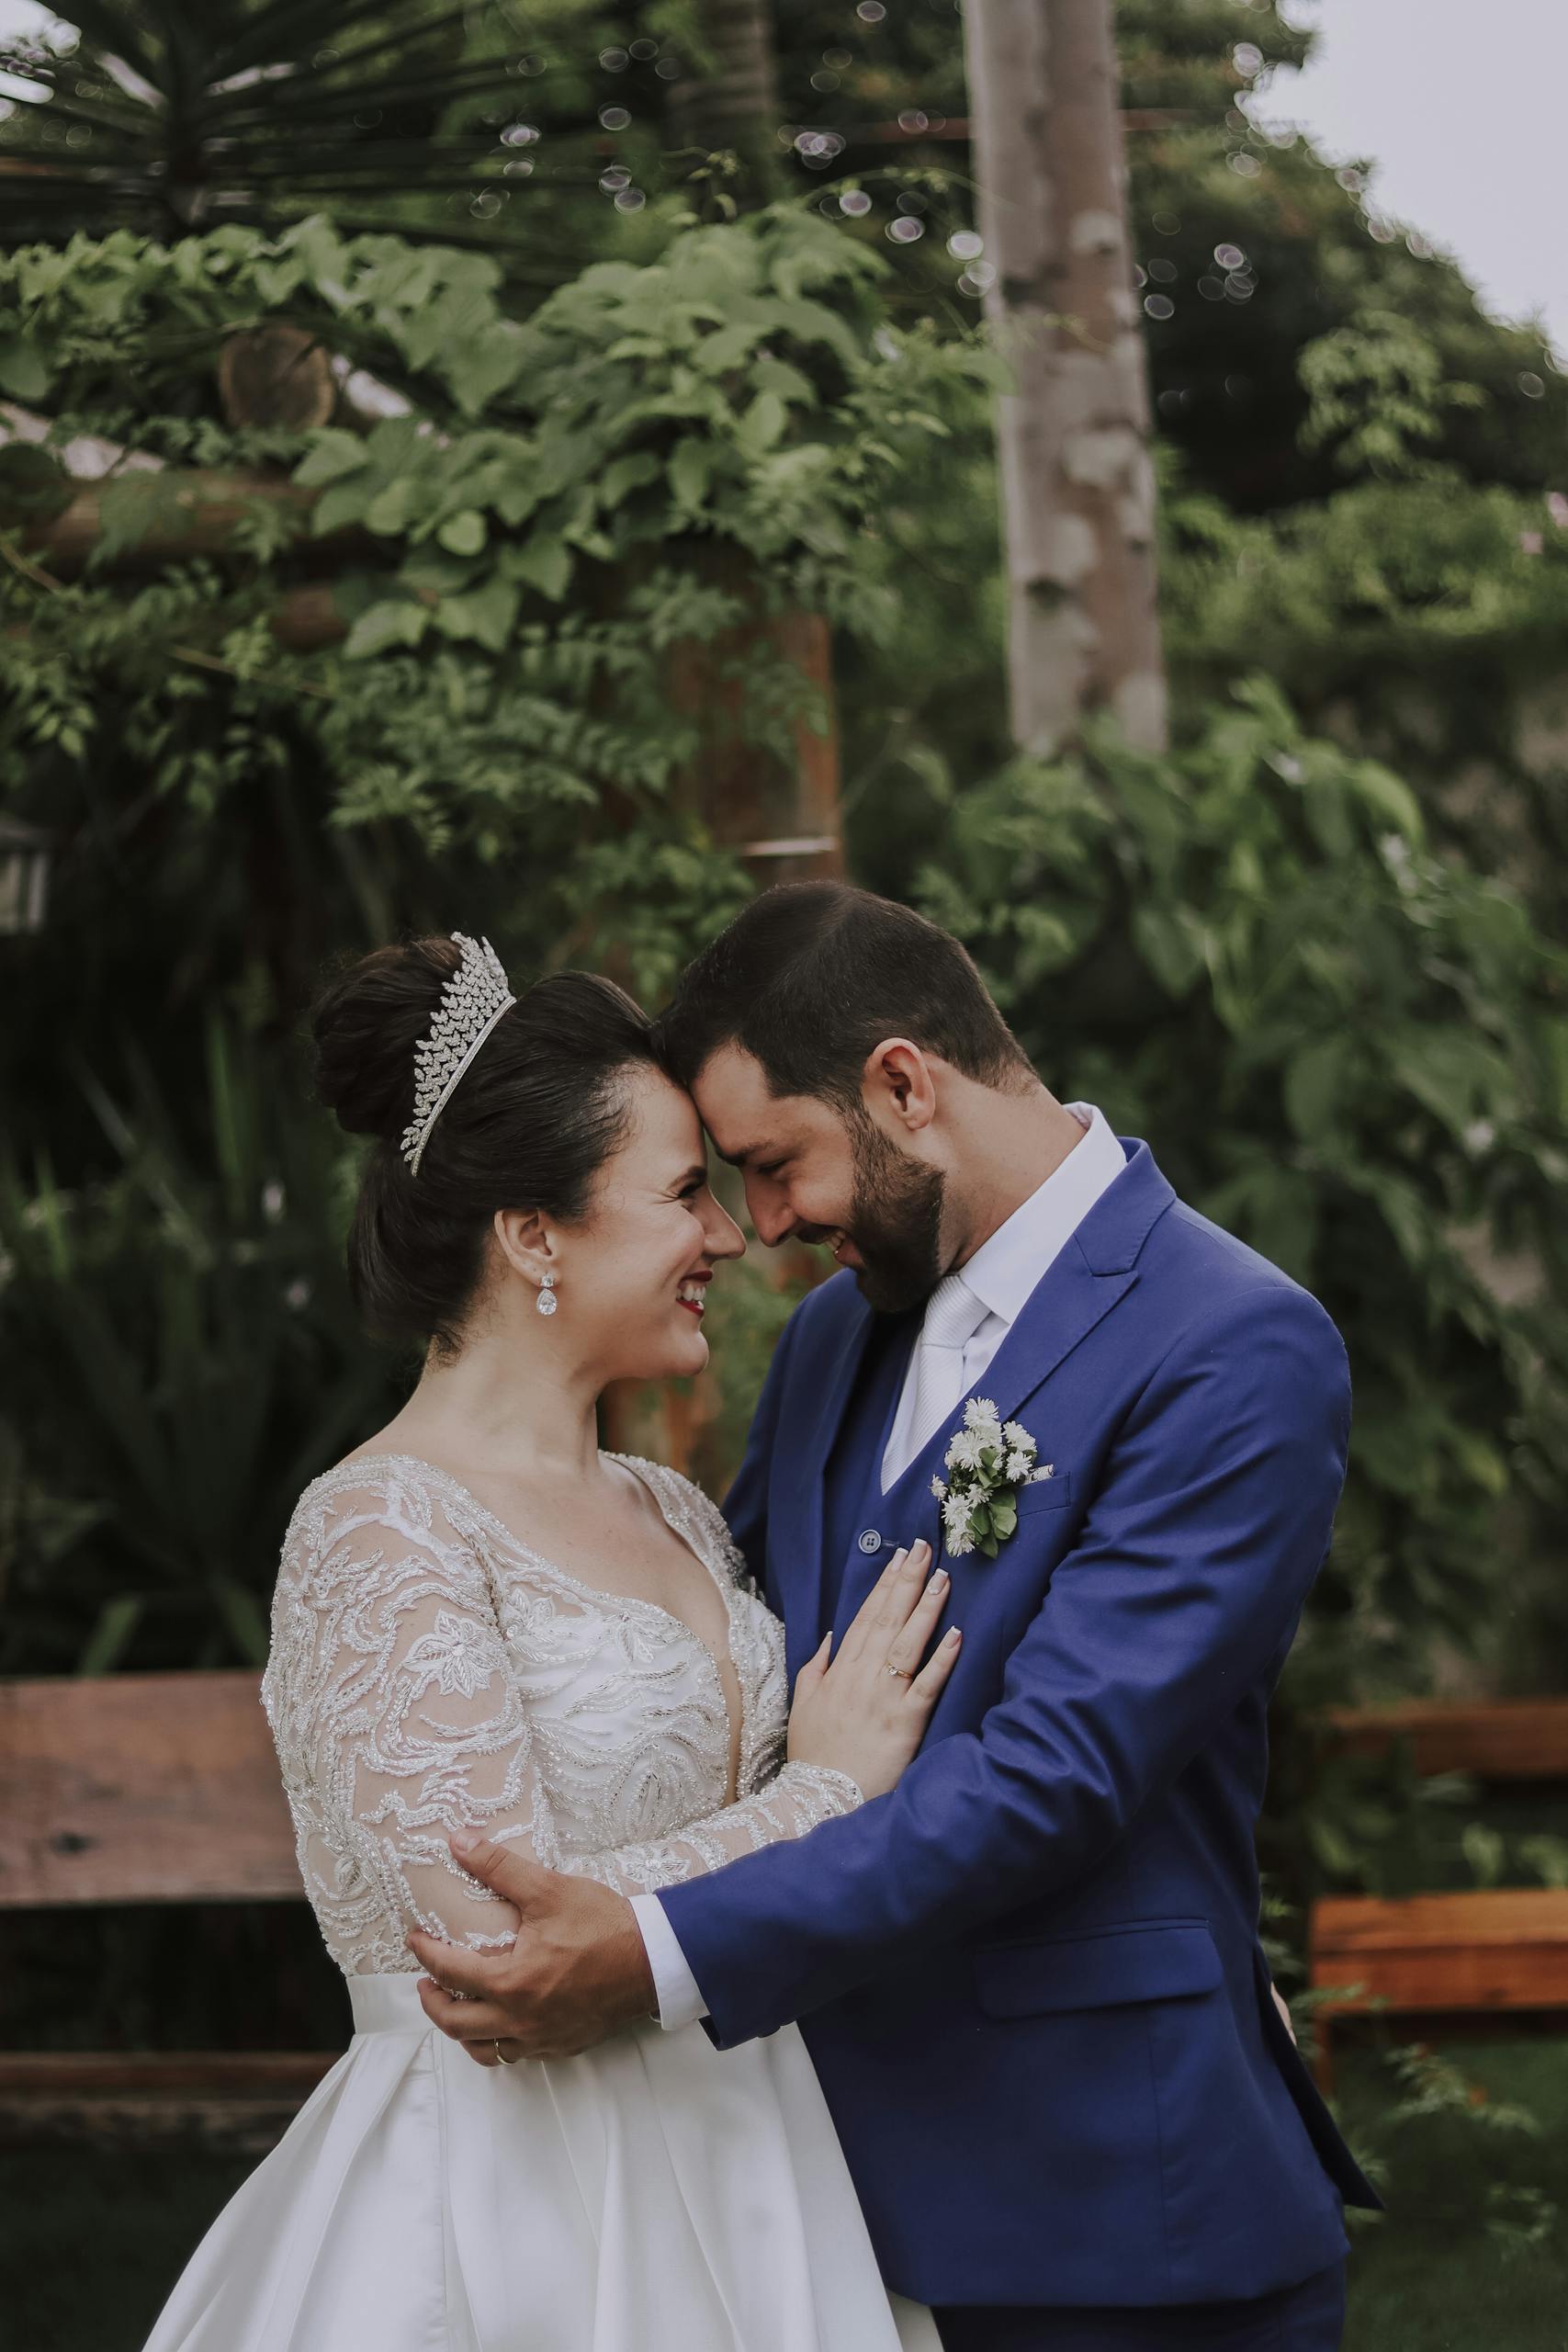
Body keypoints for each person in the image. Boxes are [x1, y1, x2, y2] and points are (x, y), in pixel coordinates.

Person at [412, 884, 1384, 2352]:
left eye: (774, 1165)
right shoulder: (835, 1338)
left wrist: (654, 1948)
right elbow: (714, 1656)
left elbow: (1057, 1775)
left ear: (904, 1087)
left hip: (1108, 2217)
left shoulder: (1232, 1343)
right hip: (803, 2208)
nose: (767, 1227)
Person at [141, 932, 952, 2352]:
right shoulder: (378, 1530)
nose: (727, 1237)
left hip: (753, 2147)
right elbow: (492, 1951)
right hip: (514, 2192)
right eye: (684, 1194)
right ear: (533, 1235)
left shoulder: (676, 1512)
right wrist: (822, 1797)